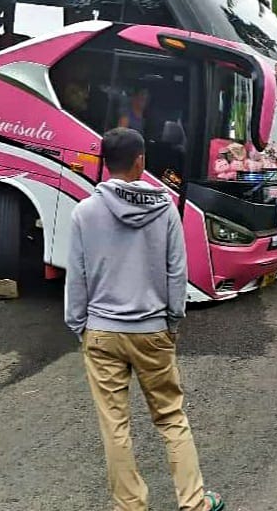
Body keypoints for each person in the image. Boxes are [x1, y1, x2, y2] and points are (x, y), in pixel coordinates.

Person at [65, 127, 224, 511]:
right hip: (152, 330)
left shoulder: (84, 212)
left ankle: (130, 506)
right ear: (141, 161)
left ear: (105, 162)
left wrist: (80, 326)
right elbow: (176, 273)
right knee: (171, 418)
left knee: (114, 425)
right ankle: (194, 503)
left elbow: (77, 277)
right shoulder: (165, 209)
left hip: (101, 332)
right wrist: (172, 322)